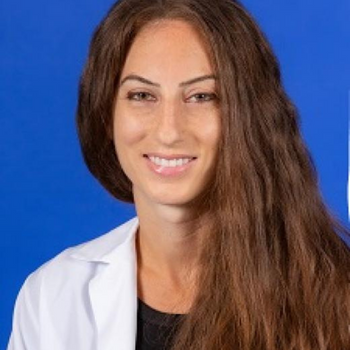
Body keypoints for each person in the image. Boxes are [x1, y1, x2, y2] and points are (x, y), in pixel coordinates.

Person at [7, 0, 350, 349]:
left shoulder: (335, 295)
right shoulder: (52, 297)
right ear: (105, 113)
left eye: (202, 96)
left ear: (248, 115)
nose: (169, 131)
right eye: (142, 95)